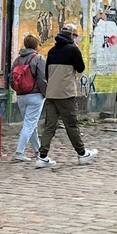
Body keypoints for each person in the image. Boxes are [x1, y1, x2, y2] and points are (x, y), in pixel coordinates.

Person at [36, 23, 98, 168]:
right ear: (71, 35)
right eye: (75, 36)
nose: (75, 38)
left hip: (51, 93)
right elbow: (81, 68)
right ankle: (82, 153)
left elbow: (46, 73)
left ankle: (42, 156)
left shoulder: (51, 51)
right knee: (71, 125)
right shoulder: (73, 50)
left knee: (49, 126)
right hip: (66, 93)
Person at [11, 34, 46, 162]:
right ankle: (19, 152)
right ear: (36, 45)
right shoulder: (38, 59)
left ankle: (38, 151)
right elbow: (42, 79)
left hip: (21, 96)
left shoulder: (17, 60)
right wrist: (46, 94)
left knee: (31, 124)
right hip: (35, 95)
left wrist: (19, 91)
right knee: (29, 124)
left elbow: (11, 80)